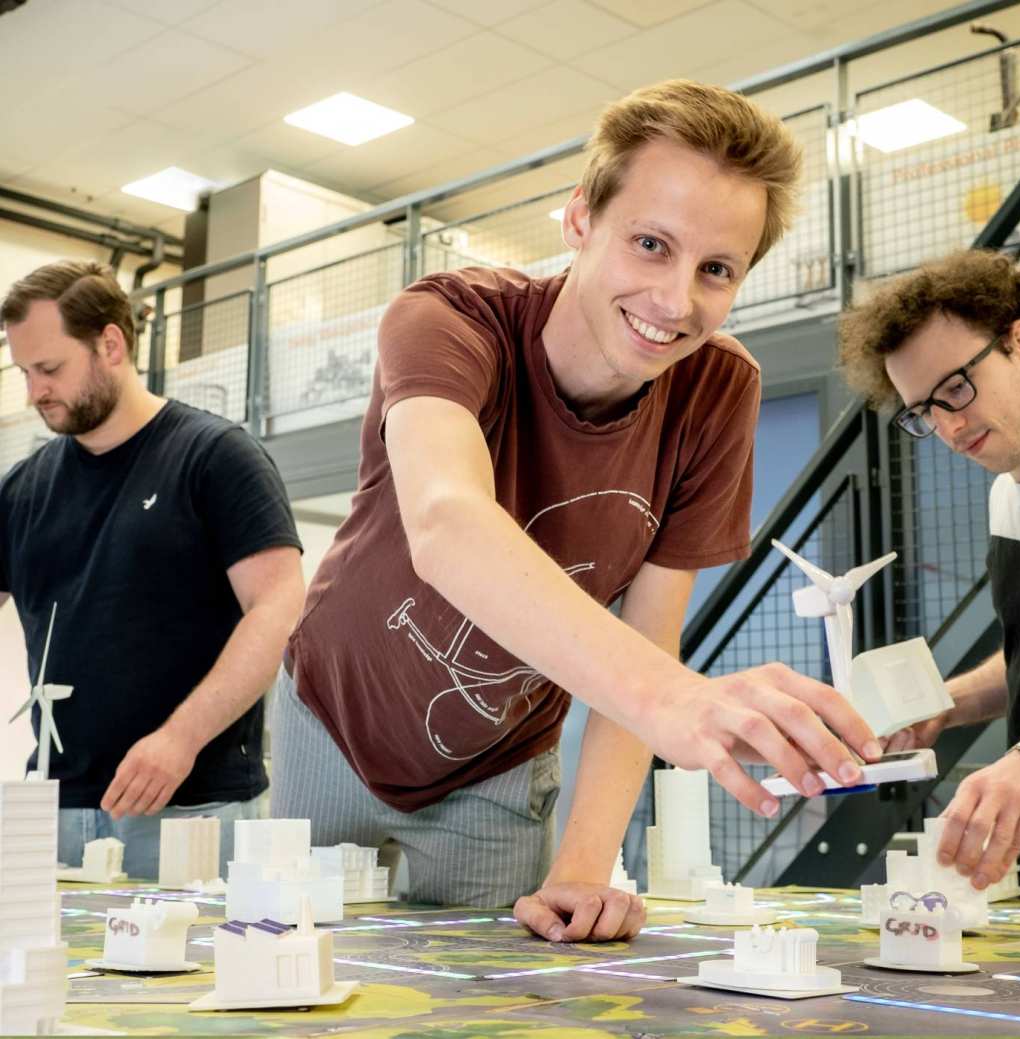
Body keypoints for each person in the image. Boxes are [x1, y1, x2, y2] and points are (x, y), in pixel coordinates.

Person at [273, 79, 881, 943]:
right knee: (292, 962)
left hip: (499, 758)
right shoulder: (448, 320)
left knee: (491, 986)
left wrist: (583, 868)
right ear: (578, 222)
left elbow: (648, 637)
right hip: (334, 709)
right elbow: (446, 522)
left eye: (716, 269)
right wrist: (674, 700)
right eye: (649, 244)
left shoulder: (718, 391)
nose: (675, 302)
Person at [0, 260, 305, 879]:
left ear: (110, 344)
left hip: (193, 806)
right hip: (57, 811)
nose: (35, 392)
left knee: (195, 976)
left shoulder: (216, 457)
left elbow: (278, 609)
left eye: (51, 369)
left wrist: (180, 739)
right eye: (24, 373)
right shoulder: (23, 489)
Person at [839, 248, 1020, 891]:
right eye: (925, 411)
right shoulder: (1009, 496)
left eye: (956, 388)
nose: (949, 428)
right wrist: (944, 705)